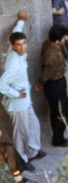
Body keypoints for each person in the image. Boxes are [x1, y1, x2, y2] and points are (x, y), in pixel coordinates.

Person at [0, 13, 43, 170]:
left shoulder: (16, 52)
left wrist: (20, 21)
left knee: (34, 125)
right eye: (19, 45)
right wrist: (16, 94)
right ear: (13, 46)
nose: (23, 47)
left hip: (26, 101)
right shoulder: (12, 65)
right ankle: (20, 161)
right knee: (21, 134)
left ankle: (32, 151)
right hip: (18, 105)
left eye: (24, 43)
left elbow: (14, 33)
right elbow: (1, 85)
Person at [36, 25, 68, 148]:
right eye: (64, 37)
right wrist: (41, 83)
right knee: (58, 113)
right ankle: (58, 139)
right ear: (57, 40)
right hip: (54, 84)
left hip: (59, 81)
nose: (66, 38)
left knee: (65, 102)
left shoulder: (50, 43)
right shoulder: (52, 56)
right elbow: (47, 73)